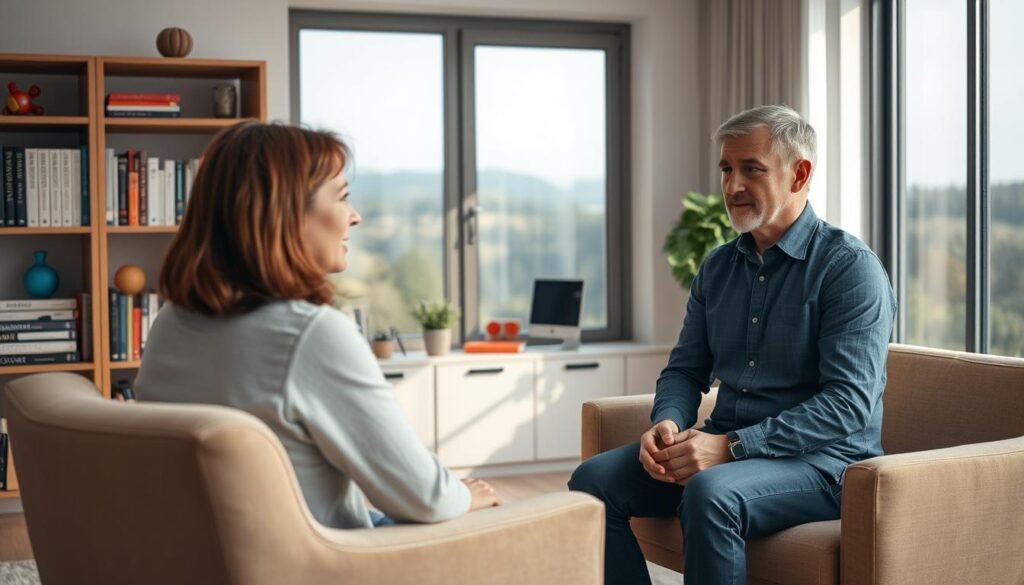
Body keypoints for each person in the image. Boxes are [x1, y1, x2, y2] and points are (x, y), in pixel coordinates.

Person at [568, 105, 896, 584]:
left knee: (710, 491)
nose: (732, 185)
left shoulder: (849, 269)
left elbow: (847, 405)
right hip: (729, 445)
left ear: (799, 173)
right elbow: (685, 370)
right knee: (592, 483)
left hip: (826, 465)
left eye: (752, 169)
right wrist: (668, 421)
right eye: (726, 169)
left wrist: (732, 447)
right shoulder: (718, 267)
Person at [135, 121, 500, 529]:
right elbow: (424, 498)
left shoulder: (170, 322)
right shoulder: (309, 334)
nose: (355, 216)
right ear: (288, 214)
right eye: (342, 198)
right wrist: (465, 495)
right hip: (320, 562)